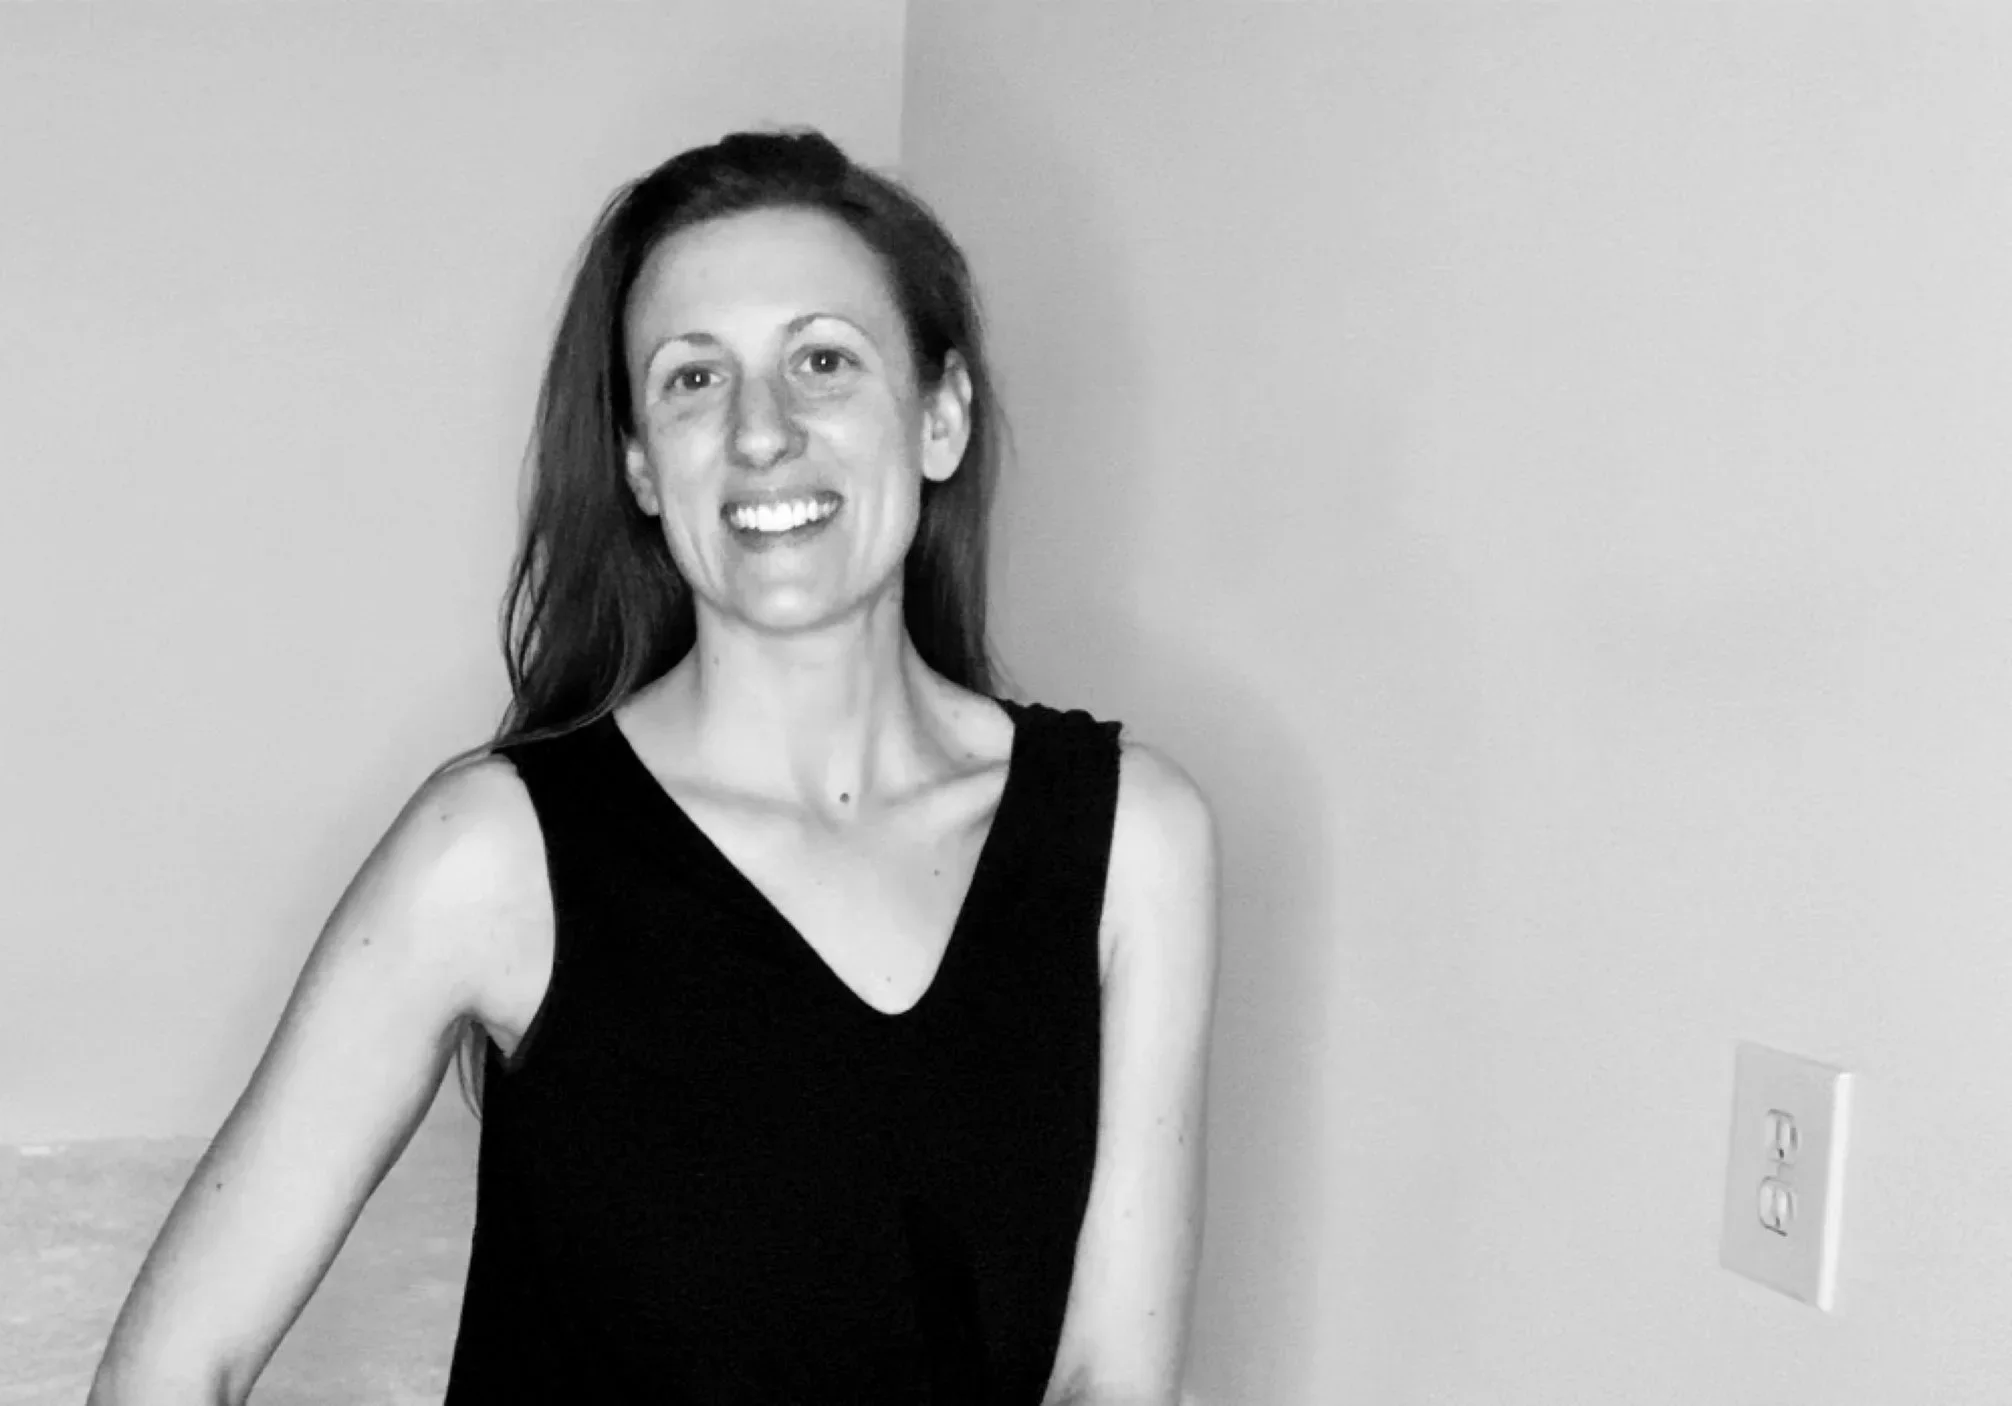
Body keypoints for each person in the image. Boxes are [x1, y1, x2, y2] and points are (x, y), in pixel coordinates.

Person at [88, 128, 1218, 1405]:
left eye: (824, 362)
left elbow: (1111, 1382)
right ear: (637, 463)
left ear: (940, 416)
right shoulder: (492, 852)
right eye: (693, 381)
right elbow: (175, 1366)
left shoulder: (1132, 842)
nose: (760, 432)